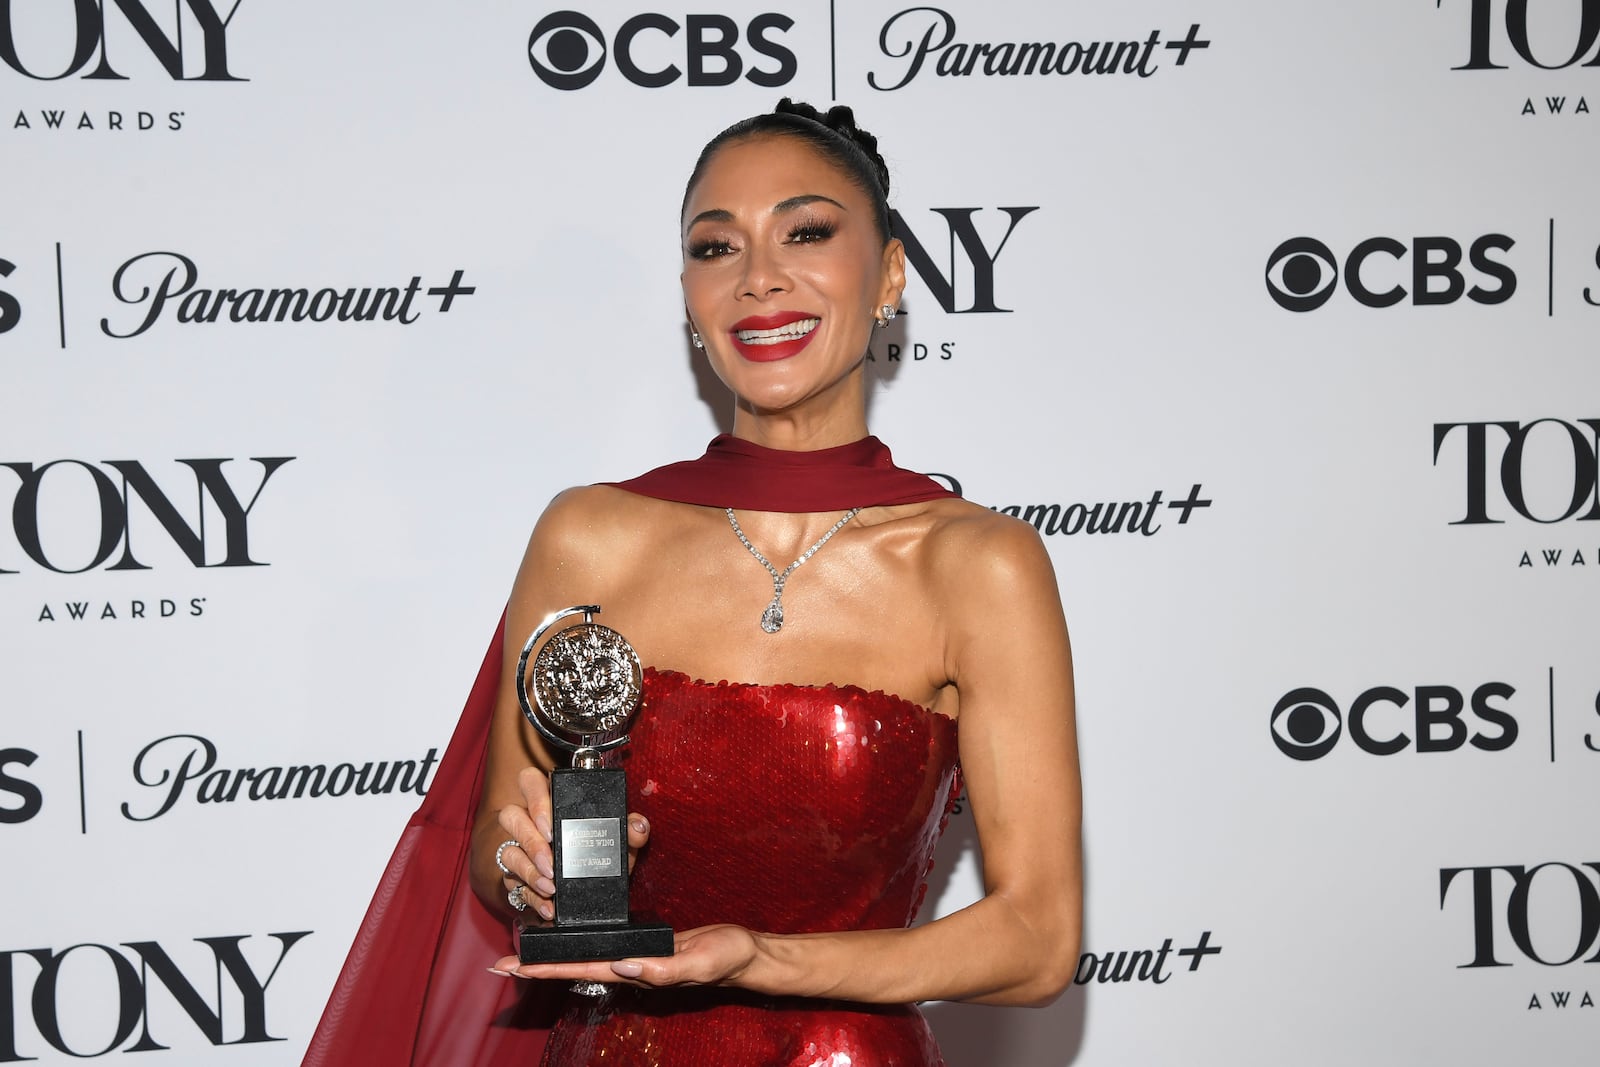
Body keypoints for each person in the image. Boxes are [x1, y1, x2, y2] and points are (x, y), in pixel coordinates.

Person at [304, 99, 1080, 1067]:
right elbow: (496, 850)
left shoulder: (976, 563)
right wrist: (529, 870)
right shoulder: (588, 536)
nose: (759, 278)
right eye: (717, 248)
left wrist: (760, 957)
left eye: (805, 232)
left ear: (887, 276)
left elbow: (1038, 938)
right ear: (687, 295)